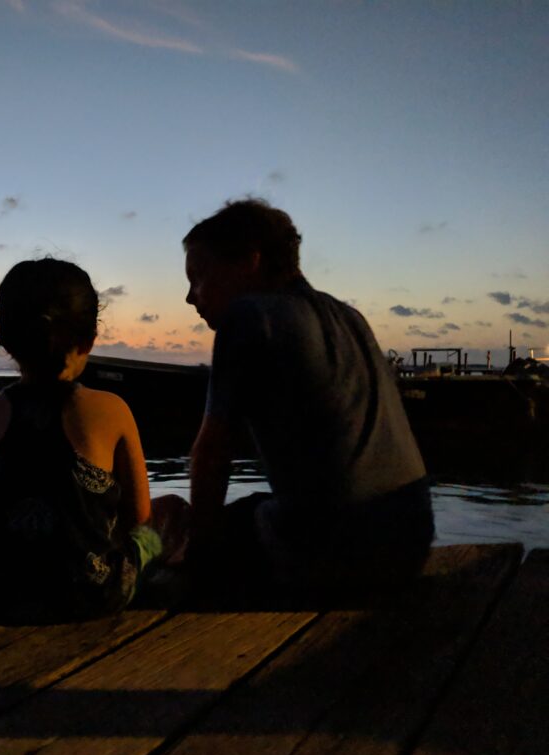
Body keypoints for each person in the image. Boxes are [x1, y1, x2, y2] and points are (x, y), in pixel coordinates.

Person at [183, 199, 432, 604]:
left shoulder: (248, 316)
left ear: (249, 261)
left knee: (177, 521)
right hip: (408, 549)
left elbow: (211, 454)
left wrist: (199, 557)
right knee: (253, 509)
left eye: (199, 278)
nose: (191, 298)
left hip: (333, 559)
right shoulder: (350, 317)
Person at [0, 257, 186, 619]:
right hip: (90, 594)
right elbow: (140, 515)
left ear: (4, 340)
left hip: (0, 592)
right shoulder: (111, 409)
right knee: (172, 512)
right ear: (89, 338)